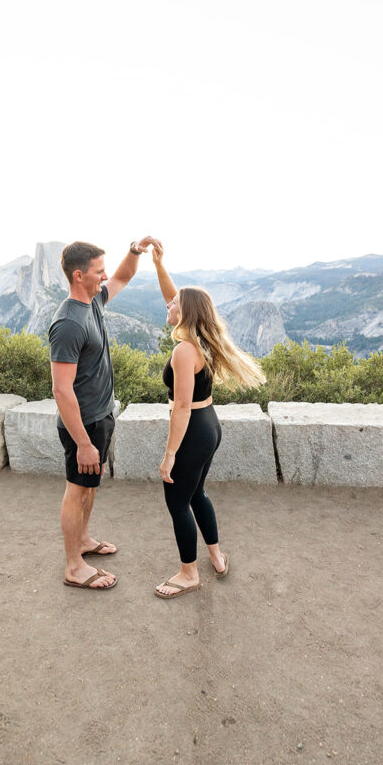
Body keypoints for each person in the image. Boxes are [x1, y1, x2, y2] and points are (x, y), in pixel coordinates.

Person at [151, 243, 266, 599]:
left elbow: (182, 406)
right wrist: (158, 265)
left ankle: (188, 574)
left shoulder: (184, 350)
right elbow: (178, 298)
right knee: (196, 492)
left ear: (185, 313)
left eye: (173, 305)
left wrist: (170, 454)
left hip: (193, 427)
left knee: (177, 501)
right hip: (209, 425)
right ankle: (216, 558)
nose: (167, 305)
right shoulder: (201, 341)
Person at [49, 237, 160, 590]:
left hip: (101, 417)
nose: (105, 276)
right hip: (81, 425)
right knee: (77, 490)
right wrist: (82, 442)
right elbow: (61, 389)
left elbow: (123, 277)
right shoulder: (68, 323)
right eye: (98, 271)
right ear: (79, 275)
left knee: (90, 487)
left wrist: (135, 250)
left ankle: (82, 540)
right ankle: (73, 566)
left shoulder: (93, 301)